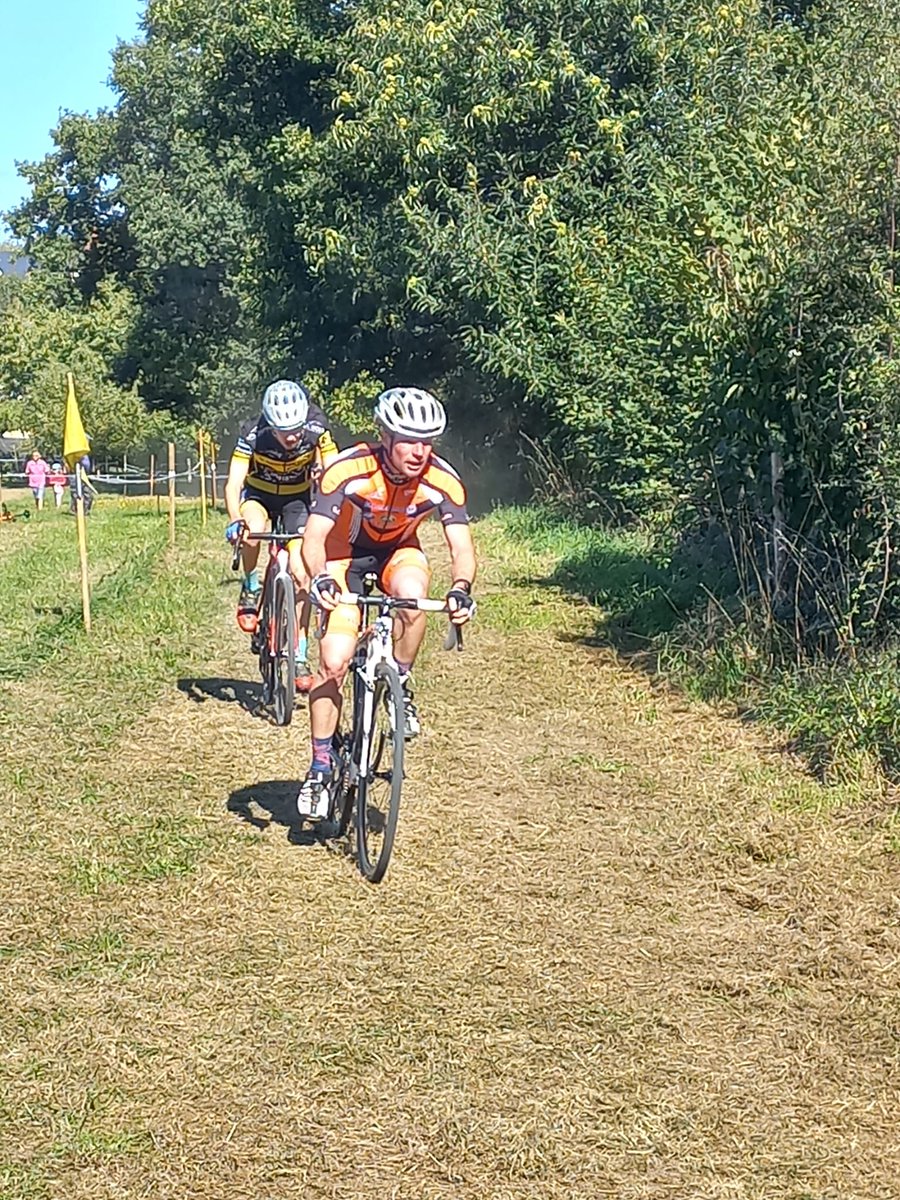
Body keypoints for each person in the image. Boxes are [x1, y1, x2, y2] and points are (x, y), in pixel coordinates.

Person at [296, 386, 477, 820]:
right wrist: (321, 577)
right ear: (385, 435)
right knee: (334, 662)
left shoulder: (442, 479)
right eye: (409, 440)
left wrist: (461, 588)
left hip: (399, 551)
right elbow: (314, 537)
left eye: (427, 441)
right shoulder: (348, 469)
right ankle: (320, 766)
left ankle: (400, 681)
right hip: (343, 555)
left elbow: (461, 547)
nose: (420, 452)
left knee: (413, 598)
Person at [223, 379, 338, 690]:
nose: (293, 437)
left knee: (302, 574)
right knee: (253, 531)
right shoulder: (252, 433)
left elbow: (335, 472)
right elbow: (233, 483)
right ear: (270, 425)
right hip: (258, 496)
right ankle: (251, 586)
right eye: (284, 431)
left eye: (297, 429)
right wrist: (235, 519)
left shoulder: (317, 427)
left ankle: (299, 652)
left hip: (297, 500)